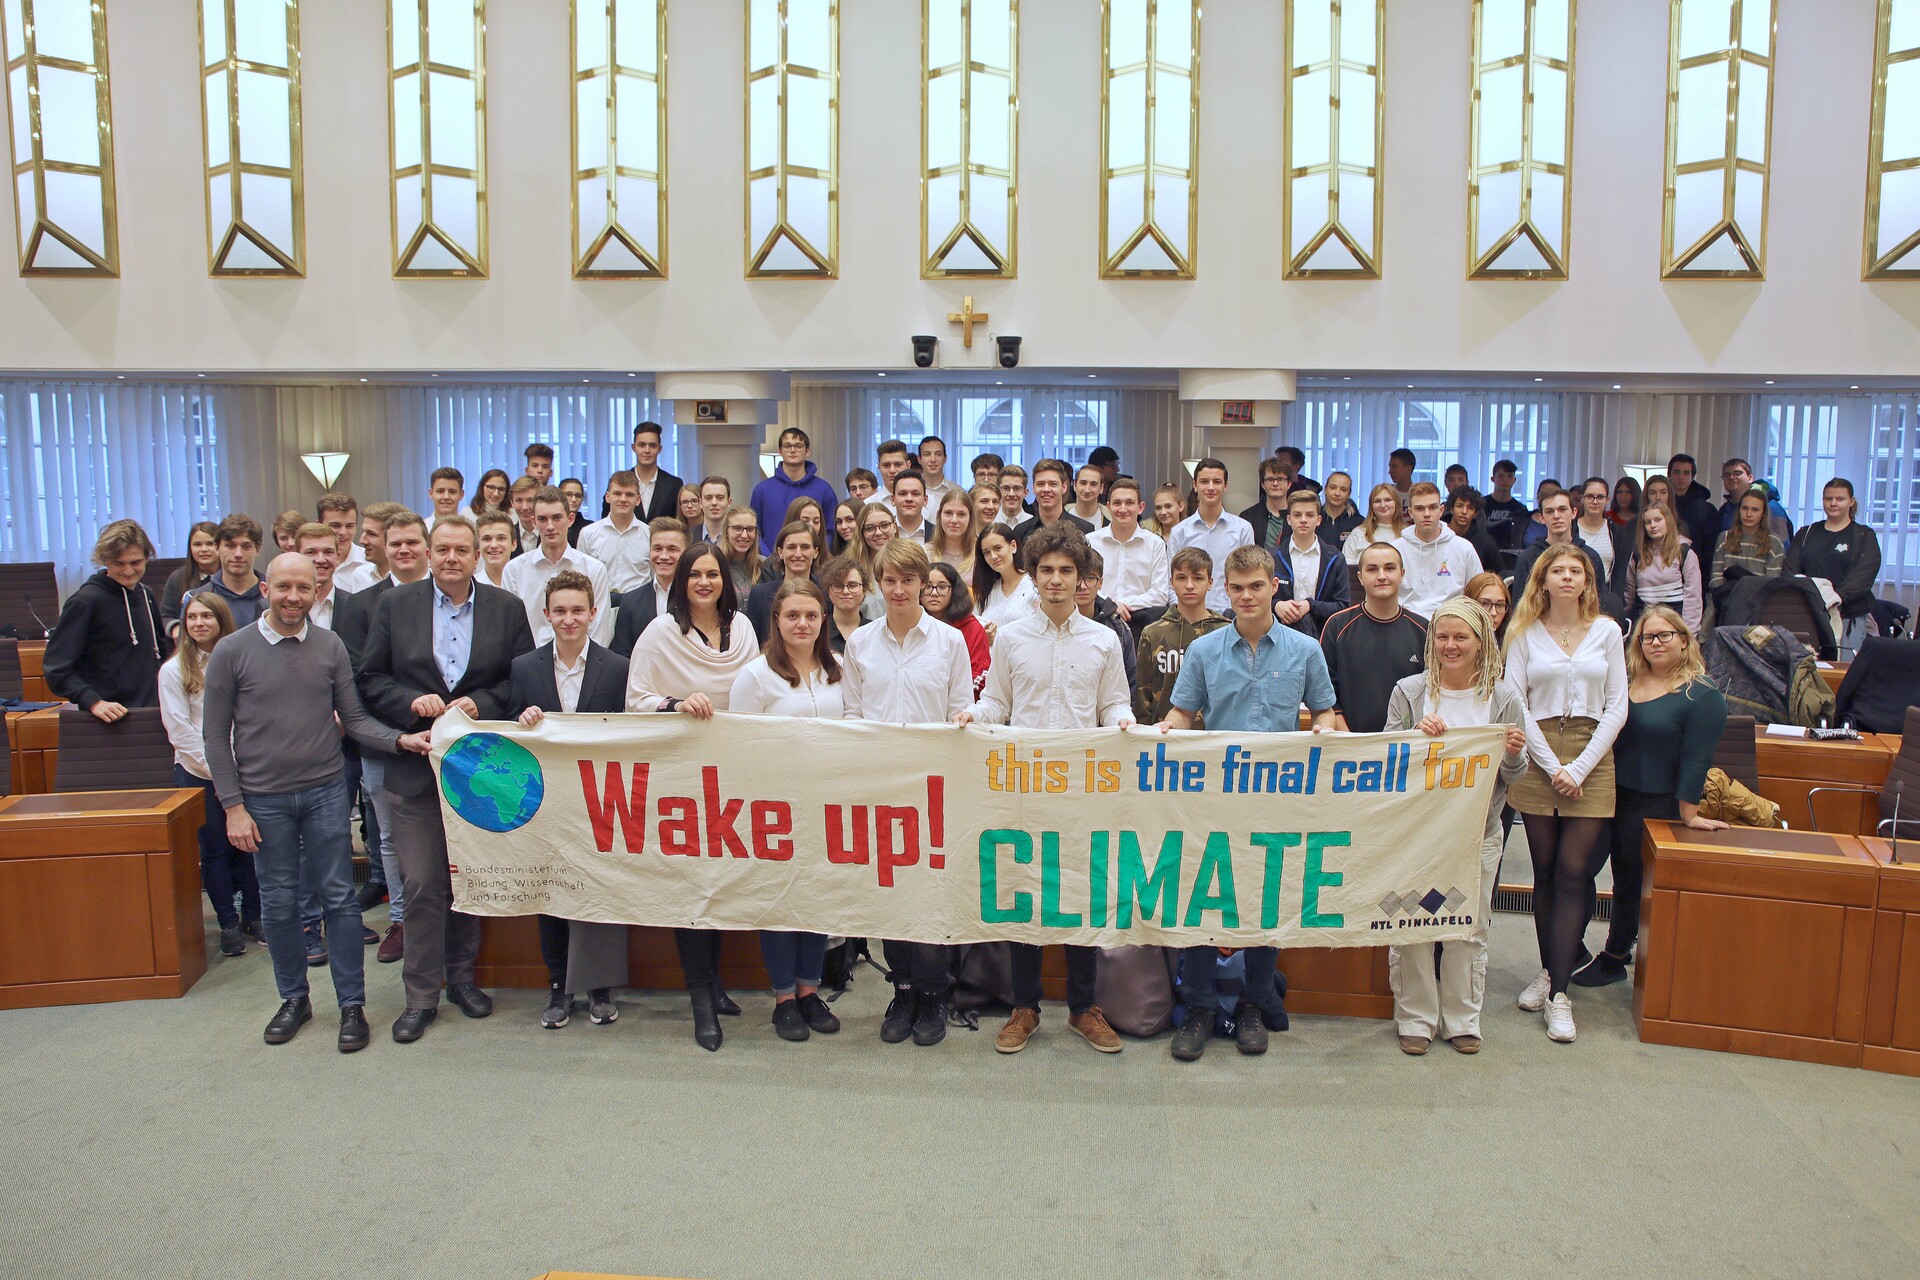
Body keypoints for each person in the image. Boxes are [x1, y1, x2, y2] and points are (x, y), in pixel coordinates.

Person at [204, 554, 428, 1052]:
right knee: (280, 903)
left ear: (316, 591)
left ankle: (352, 1004)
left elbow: (355, 719)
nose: (293, 597)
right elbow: (215, 736)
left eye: (303, 588)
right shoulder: (231, 650)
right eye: (283, 587)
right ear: (266, 589)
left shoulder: (330, 646)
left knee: (339, 900)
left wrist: (401, 742)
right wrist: (233, 806)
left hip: (326, 790)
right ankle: (294, 999)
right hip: (263, 799)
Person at [358, 516, 536, 1043]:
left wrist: (481, 703)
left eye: (463, 549)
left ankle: (462, 977)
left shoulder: (506, 608)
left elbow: (519, 680)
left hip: (478, 771)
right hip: (415, 764)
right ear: (428, 554)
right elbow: (369, 678)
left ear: (479, 555)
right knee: (419, 882)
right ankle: (420, 995)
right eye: (443, 549)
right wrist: (410, 703)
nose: (452, 557)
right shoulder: (396, 605)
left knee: (466, 878)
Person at [1156, 546, 1336, 1061]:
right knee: (1202, 895)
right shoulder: (1205, 651)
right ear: (1225, 592)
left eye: (1256, 586)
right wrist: (1157, 733)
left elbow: (1324, 711)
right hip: (1215, 794)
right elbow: (1183, 713)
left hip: (1278, 797)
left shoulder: (1305, 650)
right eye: (1236, 588)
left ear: (1273, 585)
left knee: (1265, 897)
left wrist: (1324, 735)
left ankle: (1255, 1002)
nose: (1246, 596)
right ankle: (1200, 1007)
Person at [957, 524, 1131, 1055]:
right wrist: (972, 714)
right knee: (1024, 892)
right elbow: (999, 706)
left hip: (1082, 787)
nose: (1056, 580)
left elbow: (1113, 705)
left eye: (1067, 571)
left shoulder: (1103, 640)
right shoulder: (1008, 638)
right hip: (1024, 786)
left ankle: (1083, 1008)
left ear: (1083, 580)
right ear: (1032, 576)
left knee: (1080, 894)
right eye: (1047, 571)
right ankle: (1025, 1006)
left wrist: (1126, 723)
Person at [625, 541, 760, 1050]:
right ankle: (700, 997)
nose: (704, 582)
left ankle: (718, 983)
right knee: (692, 886)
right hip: (681, 777)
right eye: (694, 574)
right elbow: (635, 700)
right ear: (681, 581)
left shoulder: (743, 629)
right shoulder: (661, 634)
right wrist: (677, 703)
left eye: (713, 573)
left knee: (722, 882)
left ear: (725, 579)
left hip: (733, 776)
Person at [1382, 598, 1530, 1054]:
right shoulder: (1408, 693)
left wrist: (1512, 753)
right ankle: (1416, 1019)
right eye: (1442, 636)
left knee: (1468, 928)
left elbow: (1515, 775)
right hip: (1415, 836)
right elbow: (1386, 762)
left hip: (1476, 835)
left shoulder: (1503, 698)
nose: (1450, 645)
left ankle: (1463, 1018)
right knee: (1410, 926)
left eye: (1460, 637)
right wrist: (1410, 738)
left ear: (1481, 642)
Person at [842, 538, 973, 1047]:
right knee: (890, 891)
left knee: (931, 893)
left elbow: (961, 708)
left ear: (925, 584)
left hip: (934, 785)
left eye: (908, 580)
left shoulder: (950, 642)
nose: (898, 590)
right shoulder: (861, 643)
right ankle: (904, 988)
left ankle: (936, 992)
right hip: (879, 784)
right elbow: (852, 715)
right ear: (879, 583)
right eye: (890, 581)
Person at [1503, 544, 1629, 1045]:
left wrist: (1578, 766)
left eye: (1577, 571)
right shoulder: (1524, 633)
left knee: (1577, 873)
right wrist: (1553, 765)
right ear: (1543, 580)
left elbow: (1617, 705)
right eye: (1558, 571)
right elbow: (1517, 704)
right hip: (1538, 756)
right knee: (1546, 873)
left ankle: (1559, 995)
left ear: (1587, 580)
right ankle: (1554, 970)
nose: (1568, 578)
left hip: (1592, 753)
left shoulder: (1607, 630)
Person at [1571, 606, 1729, 990]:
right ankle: (1570, 945)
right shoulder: (1625, 681)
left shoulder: (1701, 693)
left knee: (1629, 879)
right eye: (1647, 637)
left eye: (1664, 635)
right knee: (1578, 868)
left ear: (1684, 640)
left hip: (1654, 802)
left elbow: (1697, 759)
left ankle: (1615, 954)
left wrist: (1688, 814)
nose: (1655, 643)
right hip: (1608, 792)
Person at [507, 571, 632, 1030]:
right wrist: (522, 718)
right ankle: (558, 985)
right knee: (552, 891)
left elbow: (624, 733)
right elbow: (509, 733)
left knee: (598, 889)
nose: (569, 618)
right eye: (559, 610)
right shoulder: (524, 667)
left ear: (593, 613)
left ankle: (599, 985)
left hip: (598, 801)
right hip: (545, 803)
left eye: (578, 610)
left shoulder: (616, 666)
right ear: (546, 615)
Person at [728, 579, 849, 1042]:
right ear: (776, 620)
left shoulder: (838, 668)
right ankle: (783, 998)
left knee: (816, 896)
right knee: (780, 900)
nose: (803, 624)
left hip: (826, 803)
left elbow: (856, 728)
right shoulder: (756, 675)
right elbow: (741, 746)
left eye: (812, 616)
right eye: (793, 615)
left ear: (824, 620)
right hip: (773, 806)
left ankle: (809, 990)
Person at [159, 592, 260, 958]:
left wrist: (237, 768)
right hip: (198, 772)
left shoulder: (239, 660)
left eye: (207, 617)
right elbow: (180, 731)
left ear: (222, 622)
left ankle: (253, 915)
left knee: (251, 846)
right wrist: (220, 773)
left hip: (244, 766)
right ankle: (227, 922)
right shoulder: (173, 670)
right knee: (215, 850)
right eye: (192, 617)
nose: (199, 623)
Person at [44, 518, 172, 720]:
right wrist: (92, 701)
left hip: (154, 713)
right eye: (118, 563)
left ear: (147, 558)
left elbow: (162, 652)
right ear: (104, 560)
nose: (128, 571)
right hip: (107, 721)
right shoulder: (85, 601)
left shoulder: (146, 595)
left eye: (135, 562)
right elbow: (56, 668)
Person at [1321, 543, 1429, 732]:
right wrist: (1349, 741)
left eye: (1389, 568)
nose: (1381, 576)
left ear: (1402, 574)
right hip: (1352, 749)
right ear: (1360, 577)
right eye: (1372, 569)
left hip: (1407, 747)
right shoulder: (1336, 626)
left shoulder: (1424, 629)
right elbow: (1326, 691)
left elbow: (1433, 690)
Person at [502, 486, 614, 647]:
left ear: (570, 519)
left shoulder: (594, 569)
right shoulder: (514, 570)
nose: (549, 526)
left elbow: (599, 632)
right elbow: (510, 630)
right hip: (529, 665)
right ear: (533, 521)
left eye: (556, 518)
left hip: (583, 664)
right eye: (542, 519)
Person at [1783, 478, 1882, 659]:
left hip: (1848, 617)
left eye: (1840, 499)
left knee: (1841, 676)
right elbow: (1790, 572)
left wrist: (1833, 599)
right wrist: (1813, 599)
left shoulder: (1864, 536)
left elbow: (1863, 577)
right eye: (1828, 498)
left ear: (1851, 501)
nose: (1833, 503)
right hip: (1809, 616)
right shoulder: (1806, 533)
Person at [1134, 547, 1229, 724]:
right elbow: (1142, 697)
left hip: (1214, 738)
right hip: (1164, 736)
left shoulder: (1225, 632)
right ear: (1171, 582)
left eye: (1198, 578)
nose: (1189, 585)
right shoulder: (1153, 633)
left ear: (1210, 582)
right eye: (1181, 578)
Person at [1166, 458, 1254, 613]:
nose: (1211, 487)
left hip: (1229, 615)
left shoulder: (1243, 529)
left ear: (1226, 486)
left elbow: (1248, 576)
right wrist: (1181, 612)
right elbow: (1171, 580)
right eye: (1204, 481)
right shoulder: (1179, 531)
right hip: (1188, 616)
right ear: (1195, 485)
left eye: (1217, 482)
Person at [1511, 489, 1613, 616]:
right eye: (1549, 511)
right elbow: (1519, 607)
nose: (1556, 516)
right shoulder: (1527, 557)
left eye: (1562, 509)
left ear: (1574, 513)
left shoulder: (1590, 556)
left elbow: (1598, 604)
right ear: (1541, 518)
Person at [1088, 478, 1172, 632]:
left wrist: (1120, 605)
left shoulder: (1155, 544)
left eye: (1129, 503)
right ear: (1108, 507)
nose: (1123, 509)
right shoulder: (1090, 542)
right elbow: (1084, 585)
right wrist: (1110, 606)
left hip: (1142, 624)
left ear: (1140, 508)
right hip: (1097, 621)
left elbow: (1160, 594)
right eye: (1117, 503)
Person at [1394, 482, 1483, 618]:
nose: (1427, 514)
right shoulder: (1395, 550)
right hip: (1406, 624)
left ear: (1441, 510)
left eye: (1433, 507)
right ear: (1410, 513)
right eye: (1420, 508)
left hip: (1453, 623)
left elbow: (1479, 593)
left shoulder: (1464, 548)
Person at [1272, 488, 1348, 637]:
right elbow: (1258, 598)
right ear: (1288, 520)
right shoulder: (1271, 557)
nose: (1303, 520)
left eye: (1310, 515)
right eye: (1297, 515)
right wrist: (1276, 605)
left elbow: (1343, 606)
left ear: (1318, 520)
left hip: (1321, 636)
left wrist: (1311, 605)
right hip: (1279, 635)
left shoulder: (1335, 558)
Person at [609, 517, 689, 656]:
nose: (663, 556)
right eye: (657, 549)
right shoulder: (631, 601)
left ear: (687, 553)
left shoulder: (697, 597)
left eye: (672, 549)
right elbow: (622, 654)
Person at [750, 427, 837, 553]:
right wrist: (768, 559)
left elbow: (831, 531)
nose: (792, 450)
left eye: (798, 446)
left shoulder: (824, 489)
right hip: (771, 564)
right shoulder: (762, 490)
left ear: (807, 451)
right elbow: (754, 530)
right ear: (780, 451)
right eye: (787, 446)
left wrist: (816, 555)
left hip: (813, 563)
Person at [1623, 502, 1702, 632]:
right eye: (1648, 522)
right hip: (1644, 617)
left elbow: (1693, 598)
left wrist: (1689, 633)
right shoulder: (1637, 554)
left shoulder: (1685, 552)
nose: (1653, 525)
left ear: (1668, 521)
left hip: (1675, 617)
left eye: (1658, 520)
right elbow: (1629, 594)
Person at [1074, 549, 1138, 700]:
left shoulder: (1117, 627)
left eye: (1090, 578)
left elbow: (1131, 681)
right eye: (1078, 578)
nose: (1082, 586)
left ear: (1100, 583)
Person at [185, 513, 267, 628]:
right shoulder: (197, 598)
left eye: (246, 547)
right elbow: (188, 645)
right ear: (217, 548)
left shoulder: (274, 595)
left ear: (258, 549)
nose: (238, 554)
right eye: (230, 546)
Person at [580, 470, 653, 597]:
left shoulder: (650, 534)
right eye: (617, 493)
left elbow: (655, 576)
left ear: (638, 500)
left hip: (639, 603)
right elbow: (581, 575)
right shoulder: (588, 533)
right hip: (600, 601)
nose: (623, 499)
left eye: (629, 495)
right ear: (608, 497)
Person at [923, 561, 991, 697]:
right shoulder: (911, 624)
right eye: (928, 586)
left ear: (954, 590)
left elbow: (980, 676)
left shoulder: (972, 627)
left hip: (961, 706)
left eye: (942, 587)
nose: (934, 593)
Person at [746, 520, 822, 641]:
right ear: (780, 552)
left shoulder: (827, 595)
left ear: (815, 552)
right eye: (791, 547)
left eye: (805, 547)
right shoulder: (760, 595)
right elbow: (753, 643)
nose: (798, 554)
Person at [1708, 490, 1786, 597]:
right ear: (1739, 510)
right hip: (1726, 599)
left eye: (1755, 510)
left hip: (1757, 602)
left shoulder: (1774, 542)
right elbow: (1715, 579)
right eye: (1745, 508)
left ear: (1763, 514)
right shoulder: (1724, 537)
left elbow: (1771, 583)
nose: (1748, 514)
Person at [608, 419, 684, 521]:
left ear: (659, 449)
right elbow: (607, 519)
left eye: (652, 446)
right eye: (642, 445)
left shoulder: (674, 484)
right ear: (633, 447)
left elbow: (680, 522)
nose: (647, 450)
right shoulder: (617, 482)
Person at [1574, 477, 1634, 606]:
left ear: (1608, 500)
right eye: (1590, 496)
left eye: (1600, 497)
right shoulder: (1571, 529)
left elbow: (1621, 571)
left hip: (1606, 597)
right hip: (1574, 596)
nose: (1595, 501)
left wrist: (1614, 600)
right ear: (1582, 499)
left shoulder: (1617, 532)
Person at [971, 524, 1036, 636]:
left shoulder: (1034, 586)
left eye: (998, 548)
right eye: (987, 552)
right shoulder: (987, 590)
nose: (993, 556)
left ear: (1013, 546)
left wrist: (998, 639)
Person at [1011, 459, 1094, 544]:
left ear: (1064, 487)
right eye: (1040, 484)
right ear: (1033, 488)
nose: (1046, 489)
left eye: (1053, 484)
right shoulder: (1020, 531)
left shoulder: (1085, 530)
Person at [1667, 453, 1721, 574]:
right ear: (1669, 475)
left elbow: (1710, 549)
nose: (1681, 477)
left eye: (1686, 473)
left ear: (1692, 477)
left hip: (1696, 570)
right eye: (1676, 472)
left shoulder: (1706, 509)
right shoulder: (1660, 506)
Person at [1716, 458, 1793, 542]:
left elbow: (1782, 545)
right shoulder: (1724, 510)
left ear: (1750, 478)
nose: (1731, 477)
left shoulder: (1770, 506)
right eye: (1727, 475)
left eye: (1737, 473)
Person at [160, 521, 220, 627]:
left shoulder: (229, 578)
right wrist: (175, 628)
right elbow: (165, 617)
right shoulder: (177, 578)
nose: (204, 549)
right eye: (197, 544)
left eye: (210, 544)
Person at [321, 495, 380, 594]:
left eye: (349, 526)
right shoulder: (306, 563)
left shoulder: (370, 564)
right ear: (319, 525)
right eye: (335, 526)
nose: (343, 532)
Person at [1242, 455, 1297, 552]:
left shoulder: (1298, 517)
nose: (1275, 483)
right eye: (1270, 479)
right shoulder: (1248, 517)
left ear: (1289, 484)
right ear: (1262, 484)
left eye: (1280, 479)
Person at [1341, 483, 1405, 566]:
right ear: (1371, 506)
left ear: (1397, 503)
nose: (1382, 505)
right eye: (1377, 501)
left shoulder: (1407, 534)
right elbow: (1344, 565)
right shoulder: (1358, 533)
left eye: (1388, 500)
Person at [1443, 486, 1503, 575]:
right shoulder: (1437, 534)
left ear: (1475, 514)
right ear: (1451, 509)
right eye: (1459, 506)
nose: (1464, 512)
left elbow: (1497, 575)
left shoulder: (1485, 542)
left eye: (1470, 508)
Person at [821, 554, 875, 652]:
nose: (845, 591)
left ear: (864, 590)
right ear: (828, 591)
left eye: (853, 585)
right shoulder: (818, 632)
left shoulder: (876, 632)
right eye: (838, 585)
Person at [854, 502, 899, 598]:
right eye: (869, 528)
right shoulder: (854, 571)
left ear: (894, 527)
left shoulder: (909, 563)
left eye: (884, 525)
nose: (878, 532)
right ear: (862, 533)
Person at [717, 506, 765, 595]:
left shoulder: (764, 565)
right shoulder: (715, 564)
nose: (744, 535)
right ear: (726, 532)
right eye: (737, 528)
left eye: (750, 529)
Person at [1483, 460, 1530, 550]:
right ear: (1493, 479)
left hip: (1511, 558)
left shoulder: (1520, 509)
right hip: (1484, 554)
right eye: (1501, 476)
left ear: (1514, 480)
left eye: (1509, 476)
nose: (1505, 480)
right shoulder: (1481, 505)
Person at [928, 487, 977, 568]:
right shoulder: (925, 553)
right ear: (939, 516)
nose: (954, 520)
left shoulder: (982, 555)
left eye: (961, 514)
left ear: (970, 518)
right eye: (948, 513)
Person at [1464, 571, 1512, 646]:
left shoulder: (1512, 643)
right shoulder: (1454, 644)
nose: (1493, 613)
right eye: (1485, 603)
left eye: (1500, 605)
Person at [1320, 471, 1363, 546]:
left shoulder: (1359, 523)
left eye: (1343, 490)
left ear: (1349, 494)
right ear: (1325, 490)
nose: (1337, 493)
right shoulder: (1314, 519)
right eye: (1333, 488)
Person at [474, 509, 516, 588]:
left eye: (501, 538)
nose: (493, 545)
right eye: (487, 539)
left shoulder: (527, 583)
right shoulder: (471, 587)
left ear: (513, 544)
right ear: (478, 545)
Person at [917, 435, 956, 508]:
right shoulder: (910, 490)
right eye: (927, 454)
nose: (933, 460)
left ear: (945, 458)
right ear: (919, 459)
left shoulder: (956, 491)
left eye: (938, 454)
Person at [507, 476, 543, 554]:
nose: (524, 507)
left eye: (530, 500)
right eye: (519, 500)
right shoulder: (507, 536)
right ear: (512, 502)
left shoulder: (553, 534)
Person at [1069, 463, 1110, 530]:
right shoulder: (1060, 519)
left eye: (1093, 484)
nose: (1087, 490)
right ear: (1074, 485)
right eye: (1083, 483)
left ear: (1101, 488)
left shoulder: (1111, 523)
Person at [694, 476, 733, 545]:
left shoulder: (739, 537)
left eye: (720, 498)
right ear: (700, 503)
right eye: (708, 498)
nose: (714, 503)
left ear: (729, 502)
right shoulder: (687, 537)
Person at [425, 467, 465, 532]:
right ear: (431, 493)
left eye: (452, 492)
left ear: (461, 495)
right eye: (440, 491)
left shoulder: (471, 531)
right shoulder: (422, 530)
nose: (446, 497)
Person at [558, 478, 592, 546]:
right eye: (568, 494)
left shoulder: (591, 528)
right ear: (558, 496)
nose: (574, 500)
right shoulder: (550, 524)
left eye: (578, 496)